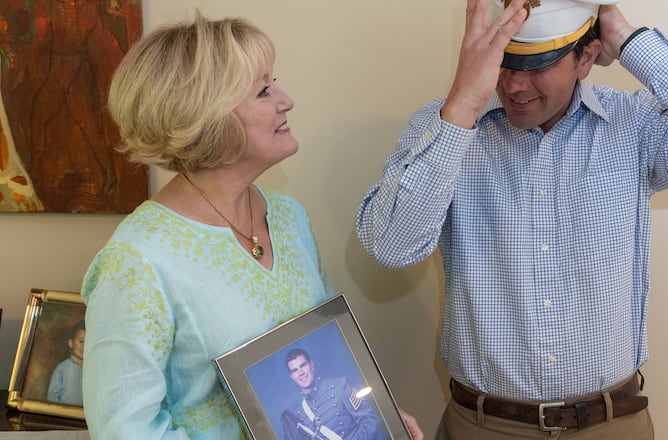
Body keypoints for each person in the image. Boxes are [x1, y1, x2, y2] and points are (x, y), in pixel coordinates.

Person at [356, 0, 668, 438]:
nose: (514, 83)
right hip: (484, 425)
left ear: (587, 57)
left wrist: (621, 34)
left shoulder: (631, 125)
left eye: (538, 64)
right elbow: (391, 247)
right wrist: (462, 104)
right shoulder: (444, 127)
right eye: (501, 60)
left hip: (610, 423)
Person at [79, 12, 423, 440]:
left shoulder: (288, 216)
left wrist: (378, 420)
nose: (286, 99)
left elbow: (327, 351)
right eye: (263, 91)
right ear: (205, 118)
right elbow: (123, 431)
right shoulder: (137, 262)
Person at [280, 348, 387, 440]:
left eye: (303, 365)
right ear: (292, 377)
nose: (300, 373)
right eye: (295, 370)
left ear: (311, 365)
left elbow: (370, 421)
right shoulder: (298, 413)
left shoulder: (340, 386)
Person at [47, 320, 85, 405]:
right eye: (81, 341)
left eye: (89, 342)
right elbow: (53, 396)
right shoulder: (62, 368)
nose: (84, 346)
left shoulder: (96, 369)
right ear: (71, 343)